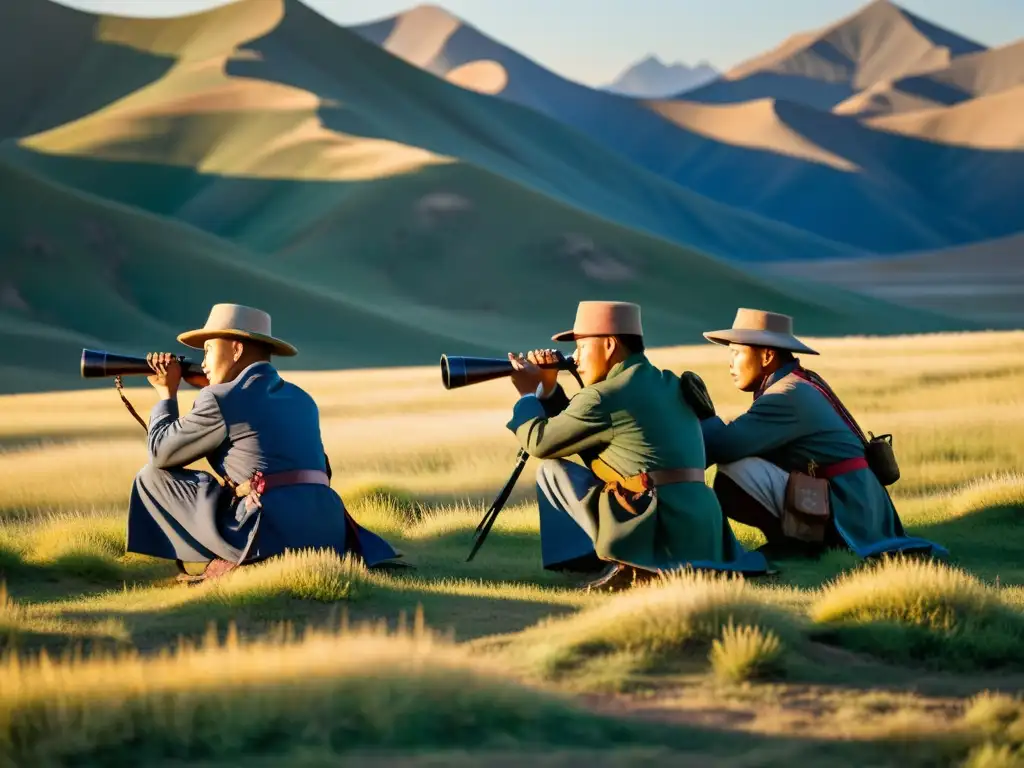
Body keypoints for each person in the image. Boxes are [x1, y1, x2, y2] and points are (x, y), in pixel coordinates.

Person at [126, 303, 403, 583]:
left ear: (236, 350)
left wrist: (166, 395)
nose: (205, 363)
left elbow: (161, 453)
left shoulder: (218, 398)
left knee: (150, 476)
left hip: (272, 533)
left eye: (208, 350)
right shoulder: (302, 398)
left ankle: (240, 556)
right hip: (330, 532)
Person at [505, 300, 769, 591]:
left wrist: (529, 396)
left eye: (581, 347)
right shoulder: (667, 382)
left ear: (608, 346)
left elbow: (540, 442)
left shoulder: (604, 396)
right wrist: (552, 391)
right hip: (705, 530)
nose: (575, 359)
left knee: (552, 469)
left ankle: (607, 562)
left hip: (659, 527)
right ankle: (611, 560)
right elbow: (579, 429)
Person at [699, 308, 947, 560]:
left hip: (849, 511)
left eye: (736, 353)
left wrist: (703, 417)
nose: (730, 363)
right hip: (859, 504)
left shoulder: (786, 395)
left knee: (735, 469)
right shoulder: (798, 383)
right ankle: (796, 544)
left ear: (767, 356)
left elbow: (725, 445)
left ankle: (798, 547)